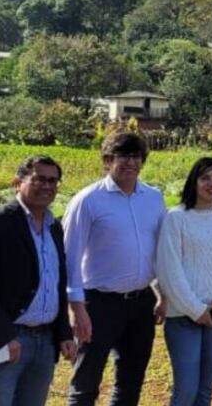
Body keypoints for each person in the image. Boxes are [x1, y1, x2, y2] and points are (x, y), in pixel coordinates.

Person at [0, 155, 76, 405]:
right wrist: (3, 336)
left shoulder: (54, 226)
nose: (47, 186)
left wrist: (64, 332)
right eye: (39, 179)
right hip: (5, 340)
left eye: (53, 181)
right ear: (17, 182)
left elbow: (56, 282)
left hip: (44, 341)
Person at [63, 132, 168, 406]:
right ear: (108, 160)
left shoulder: (153, 198)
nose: (130, 162)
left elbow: (159, 251)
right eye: (123, 156)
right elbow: (69, 257)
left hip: (140, 302)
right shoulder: (88, 200)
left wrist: (162, 293)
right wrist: (76, 308)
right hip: (98, 304)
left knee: (130, 383)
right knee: (86, 384)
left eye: (136, 156)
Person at [156, 157, 212, 406]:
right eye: (205, 178)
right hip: (184, 317)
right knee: (186, 391)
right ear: (193, 181)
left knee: (205, 392)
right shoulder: (177, 218)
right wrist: (196, 309)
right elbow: (168, 270)